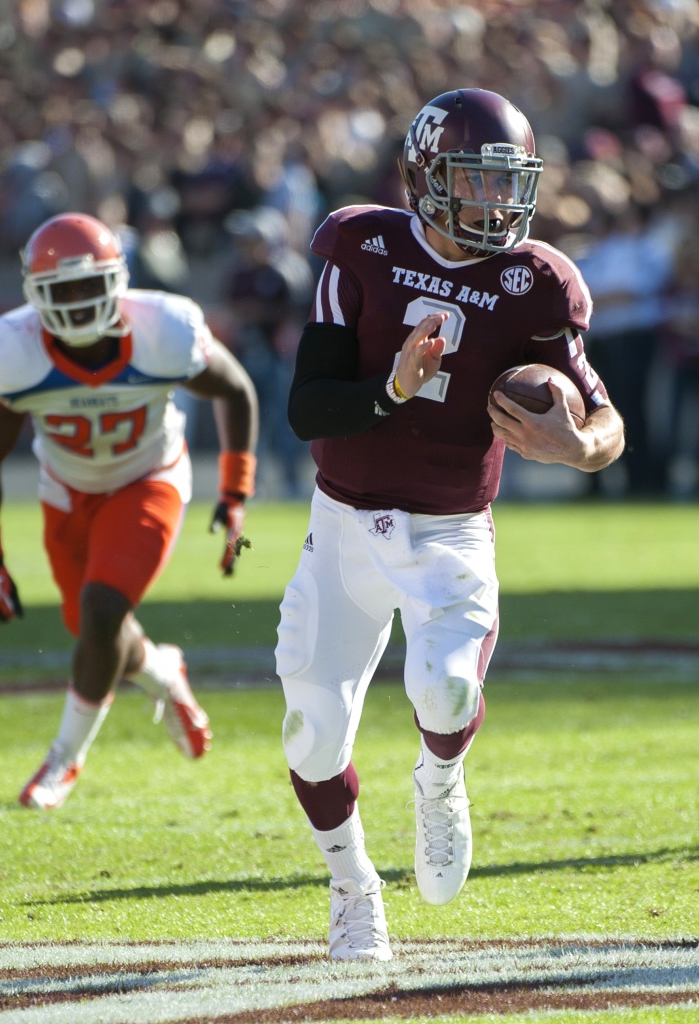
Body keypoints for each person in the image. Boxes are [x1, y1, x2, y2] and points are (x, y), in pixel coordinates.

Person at [275, 88, 625, 961]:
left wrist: (578, 447)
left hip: (448, 533)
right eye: (474, 182)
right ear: (427, 177)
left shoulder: (534, 282)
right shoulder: (361, 245)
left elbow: (606, 423)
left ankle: (439, 780)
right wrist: (390, 391)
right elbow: (308, 408)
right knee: (311, 735)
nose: (494, 204)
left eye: (508, 184)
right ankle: (354, 889)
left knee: (445, 689)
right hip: (342, 527)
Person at [0, 212, 258, 811]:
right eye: (59, 290)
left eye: (86, 287)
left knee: (100, 613)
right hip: (67, 491)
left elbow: (236, 391)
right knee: (97, 633)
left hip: (150, 478)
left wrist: (235, 493)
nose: (73, 304)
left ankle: (63, 760)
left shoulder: (164, 330)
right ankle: (164, 672)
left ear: (117, 281)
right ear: (33, 293)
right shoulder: (14, 349)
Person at [223, 206, 315, 498]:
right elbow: (235, 310)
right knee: (251, 420)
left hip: (279, 357)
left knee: (285, 419)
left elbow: (295, 312)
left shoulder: (285, 270)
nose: (247, 248)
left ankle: (291, 480)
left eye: (252, 241)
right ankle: (253, 481)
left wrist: (258, 314)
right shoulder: (240, 273)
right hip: (249, 354)